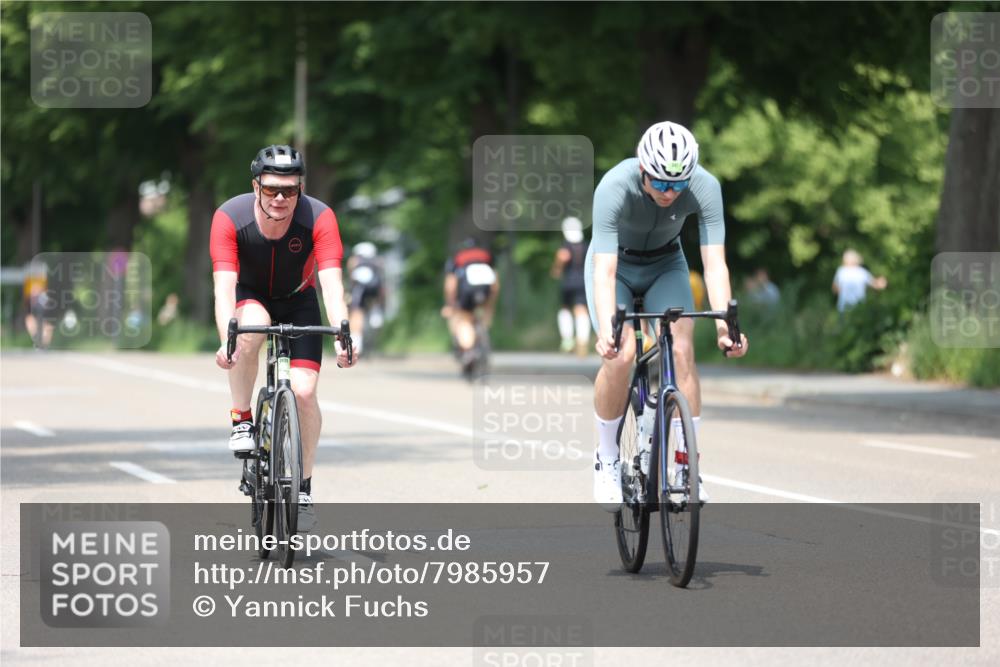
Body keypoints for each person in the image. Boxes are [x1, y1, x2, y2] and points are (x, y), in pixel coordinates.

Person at [587, 120, 749, 509]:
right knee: (622, 354)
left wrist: (727, 326)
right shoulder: (613, 186)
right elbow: (604, 272)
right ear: (643, 169)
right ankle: (606, 459)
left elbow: (714, 266)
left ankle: (685, 465)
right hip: (617, 267)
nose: (668, 192)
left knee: (681, 350)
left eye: (677, 185)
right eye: (659, 183)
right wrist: (608, 329)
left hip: (666, 265)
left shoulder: (705, 187)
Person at [210, 144, 357, 532]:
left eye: (290, 191)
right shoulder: (229, 216)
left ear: (301, 188)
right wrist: (227, 336)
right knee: (250, 327)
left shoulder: (319, 217)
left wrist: (342, 332)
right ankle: (242, 418)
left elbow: (331, 284)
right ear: (255, 185)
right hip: (251, 296)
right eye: (272, 189)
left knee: (305, 392)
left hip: (299, 300)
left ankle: (303, 488)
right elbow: (223, 287)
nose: (280, 198)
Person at [441, 237, 499, 371]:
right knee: (481, 313)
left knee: (463, 319)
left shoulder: (457, 258)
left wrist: (450, 304)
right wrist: (490, 303)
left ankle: (468, 351)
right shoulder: (487, 256)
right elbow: (495, 281)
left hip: (467, 290)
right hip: (486, 289)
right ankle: (483, 334)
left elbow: (451, 284)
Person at [551, 217, 590, 356]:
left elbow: (562, 257)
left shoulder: (565, 245)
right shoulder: (586, 245)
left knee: (565, 308)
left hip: (568, 282)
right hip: (583, 282)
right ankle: (582, 340)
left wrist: (556, 269)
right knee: (582, 310)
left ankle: (567, 339)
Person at [347, 241, 385, 355]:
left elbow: (351, 277)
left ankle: (356, 345)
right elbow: (382, 281)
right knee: (374, 303)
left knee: (356, 313)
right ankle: (376, 314)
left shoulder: (355, 260)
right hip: (375, 288)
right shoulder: (378, 261)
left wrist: (349, 292)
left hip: (360, 287)